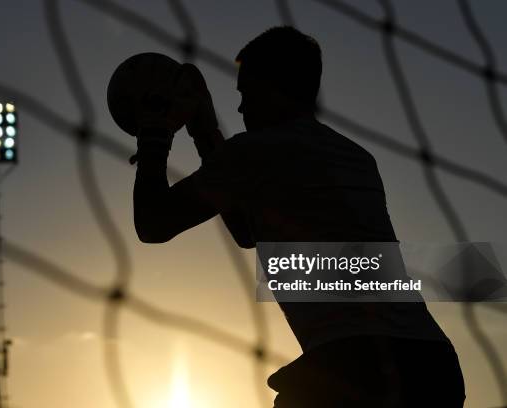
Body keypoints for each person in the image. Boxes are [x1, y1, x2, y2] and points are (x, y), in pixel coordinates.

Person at [131, 26, 465, 407]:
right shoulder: (356, 156)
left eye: (245, 93)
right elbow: (247, 230)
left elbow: (153, 224)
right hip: (433, 368)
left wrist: (154, 132)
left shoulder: (255, 150)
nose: (240, 108)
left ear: (271, 87)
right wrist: (203, 128)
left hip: (355, 367)